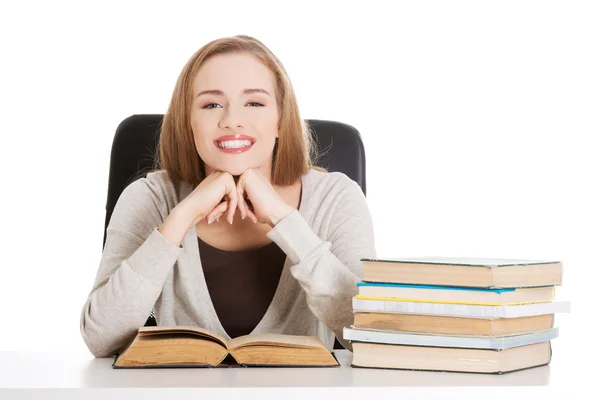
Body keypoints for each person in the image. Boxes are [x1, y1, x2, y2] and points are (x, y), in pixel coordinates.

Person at [80, 35, 376, 358]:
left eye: (254, 103)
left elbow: (370, 335)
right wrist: (180, 218)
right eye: (211, 104)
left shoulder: (336, 198)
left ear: (280, 120)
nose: (232, 120)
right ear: (189, 123)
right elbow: (100, 337)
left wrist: (285, 220)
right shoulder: (149, 198)